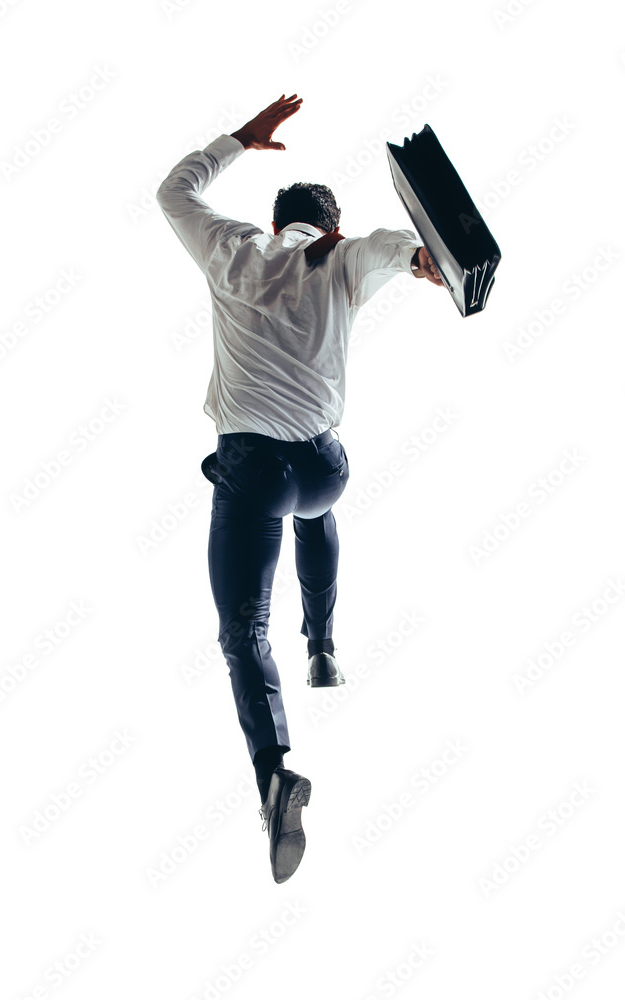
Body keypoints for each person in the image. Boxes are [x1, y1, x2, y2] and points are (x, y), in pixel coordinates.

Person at [156, 93, 444, 884]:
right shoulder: (344, 259)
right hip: (320, 469)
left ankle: (274, 771)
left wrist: (241, 140)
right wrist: (427, 262)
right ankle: (321, 648)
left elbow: (174, 191)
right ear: (333, 224)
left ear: (277, 217)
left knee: (242, 629)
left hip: (251, 474)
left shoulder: (231, 249)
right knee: (319, 508)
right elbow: (397, 249)